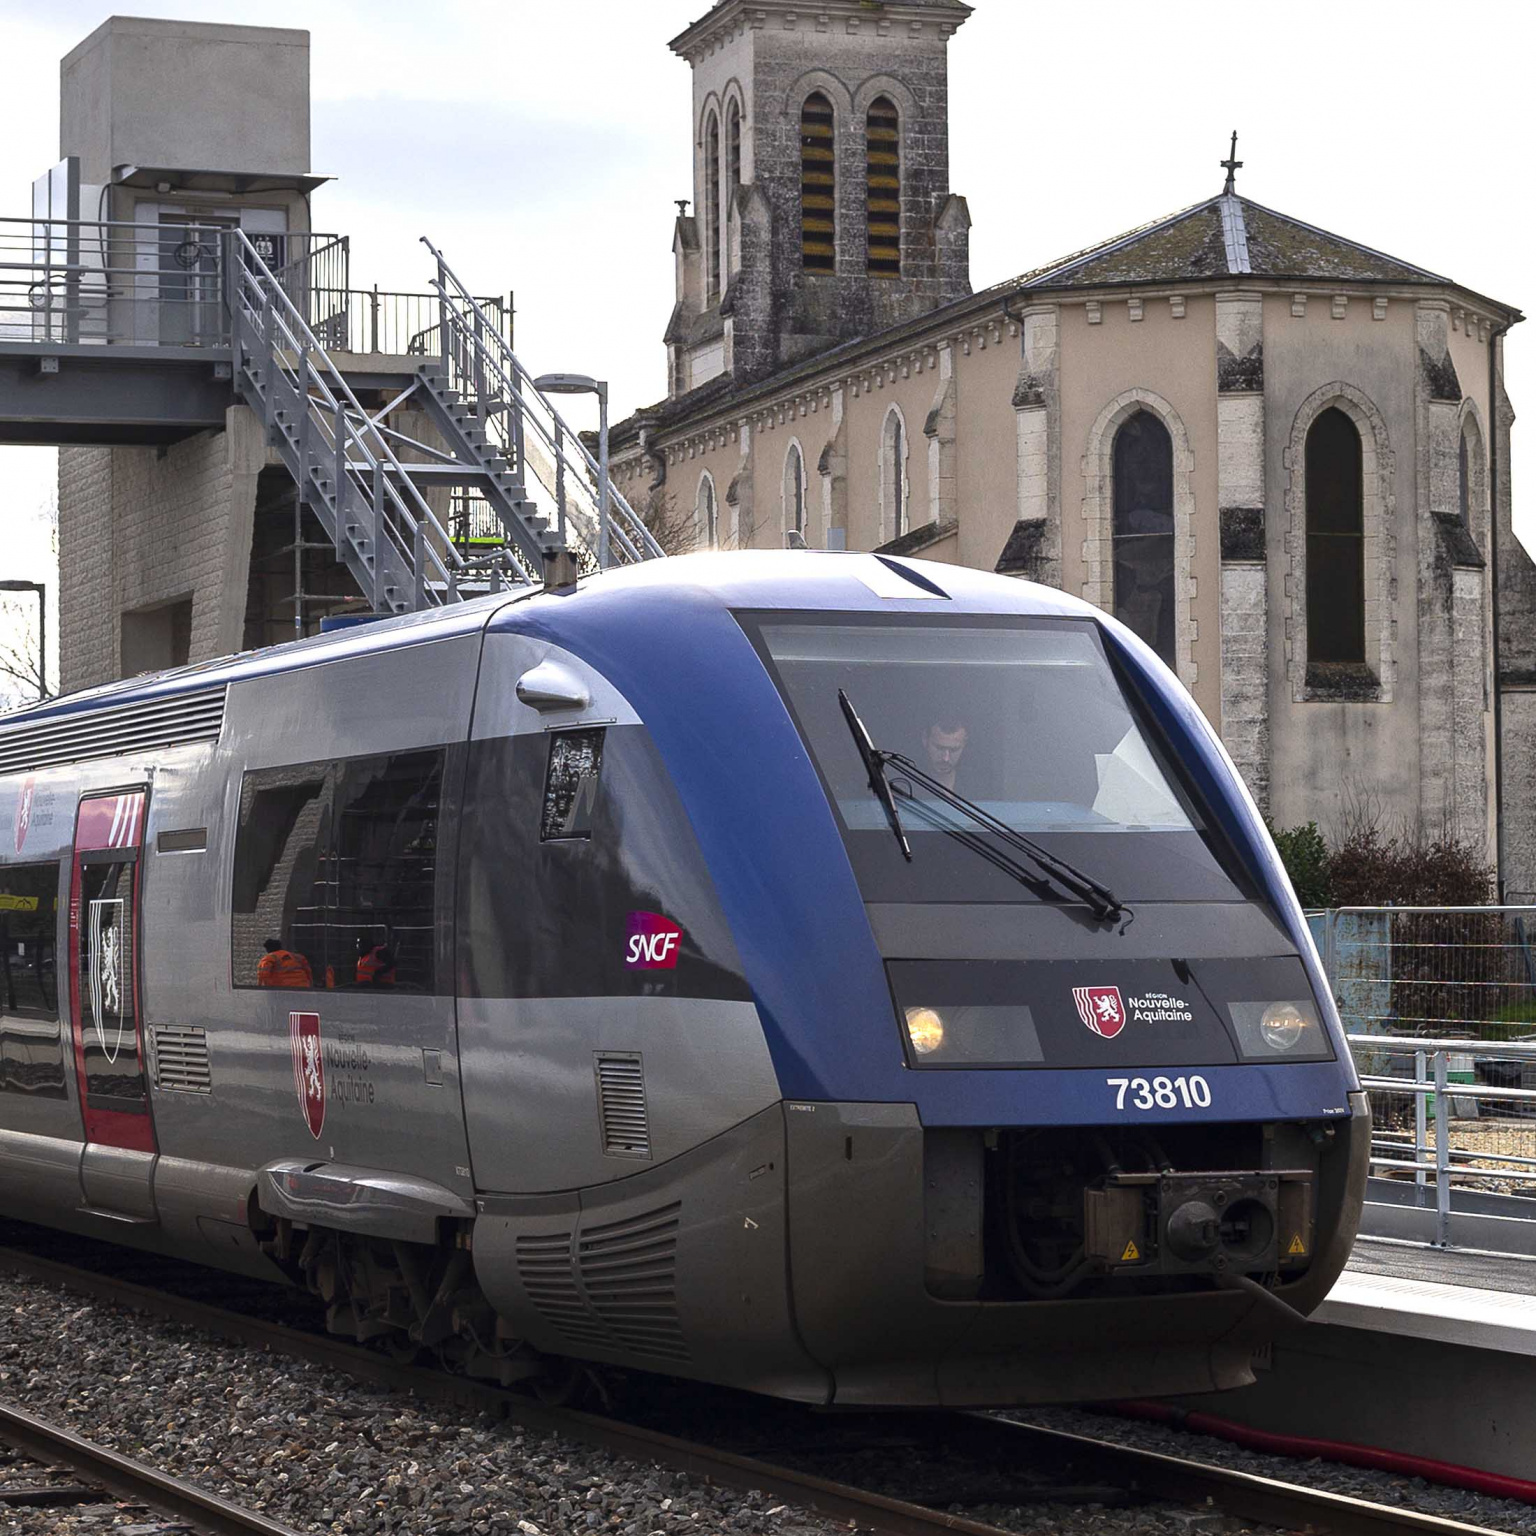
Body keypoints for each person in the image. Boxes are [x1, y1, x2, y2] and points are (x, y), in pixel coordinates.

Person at [921, 718, 969, 793]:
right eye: (939, 748)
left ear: (964, 744)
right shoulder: (907, 778)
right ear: (925, 740)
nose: (945, 758)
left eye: (954, 750)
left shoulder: (980, 782)